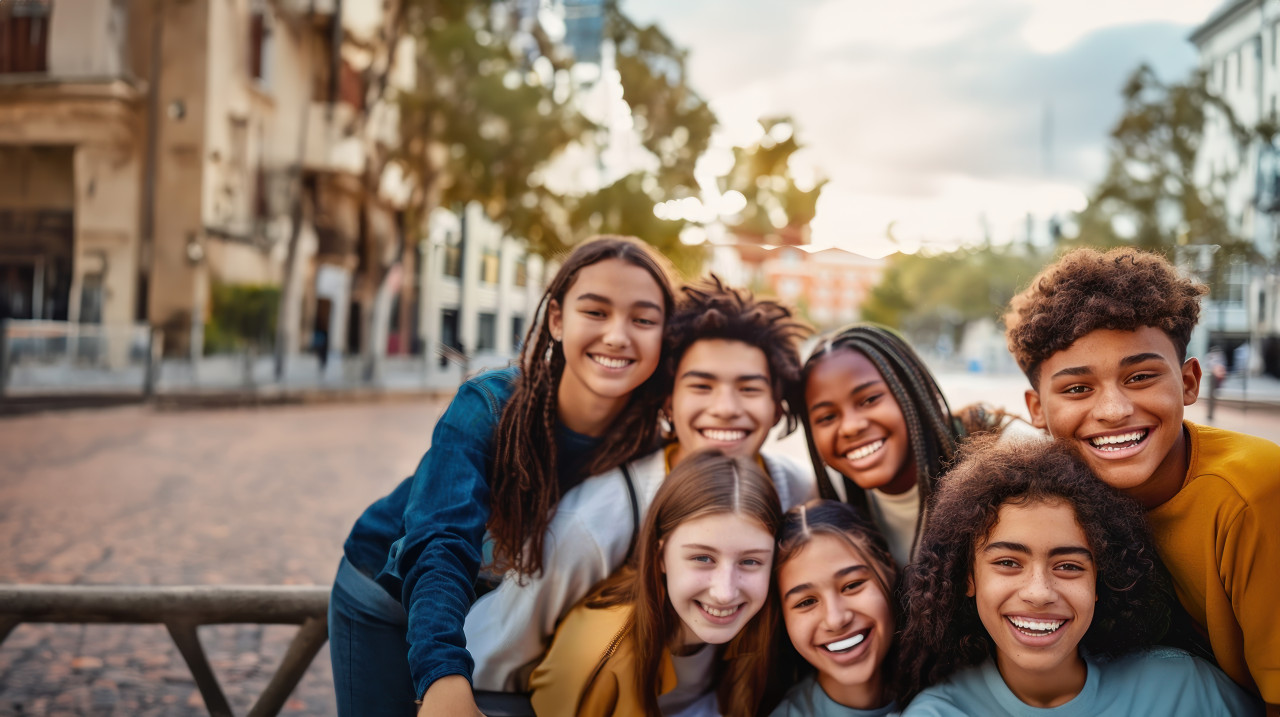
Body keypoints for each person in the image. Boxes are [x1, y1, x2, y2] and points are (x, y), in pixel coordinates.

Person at [329, 236, 678, 717]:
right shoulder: (489, 405)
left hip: (496, 613)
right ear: (557, 319)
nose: (618, 335)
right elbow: (439, 541)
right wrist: (443, 677)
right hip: (386, 596)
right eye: (595, 312)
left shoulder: (653, 439)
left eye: (643, 319)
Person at [466, 274, 816, 692]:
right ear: (668, 400)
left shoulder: (796, 492)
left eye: (750, 388)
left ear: (777, 406)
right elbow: (494, 655)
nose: (725, 408)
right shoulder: (597, 518)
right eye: (701, 386)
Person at [1004, 247, 1280, 712]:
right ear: (1036, 410)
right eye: (1077, 389)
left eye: (1141, 376)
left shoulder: (1253, 492)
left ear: (1189, 382)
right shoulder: (1052, 496)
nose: (1113, 411)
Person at [895, 437, 1259, 716]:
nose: (1039, 593)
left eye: (1069, 566)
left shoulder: (1183, 688)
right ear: (968, 578)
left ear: (1101, 581)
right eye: (1008, 563)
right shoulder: (940, 712)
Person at [528, 449, 783, 717]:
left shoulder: (767, 626)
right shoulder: (600, 654)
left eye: (751, 562)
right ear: (660, 555)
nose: (724, 593)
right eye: (703, 558)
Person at [794, 323, 1038, 566]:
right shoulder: (832, 496)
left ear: (912, 391)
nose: (850, 427)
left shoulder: (1010, 452)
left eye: (869, 399)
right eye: (826, 417)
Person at [769, 500, 900, 717]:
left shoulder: (954, 690)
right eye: (806, 602)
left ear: (890, 570)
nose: (836, 619)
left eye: (852, 585)